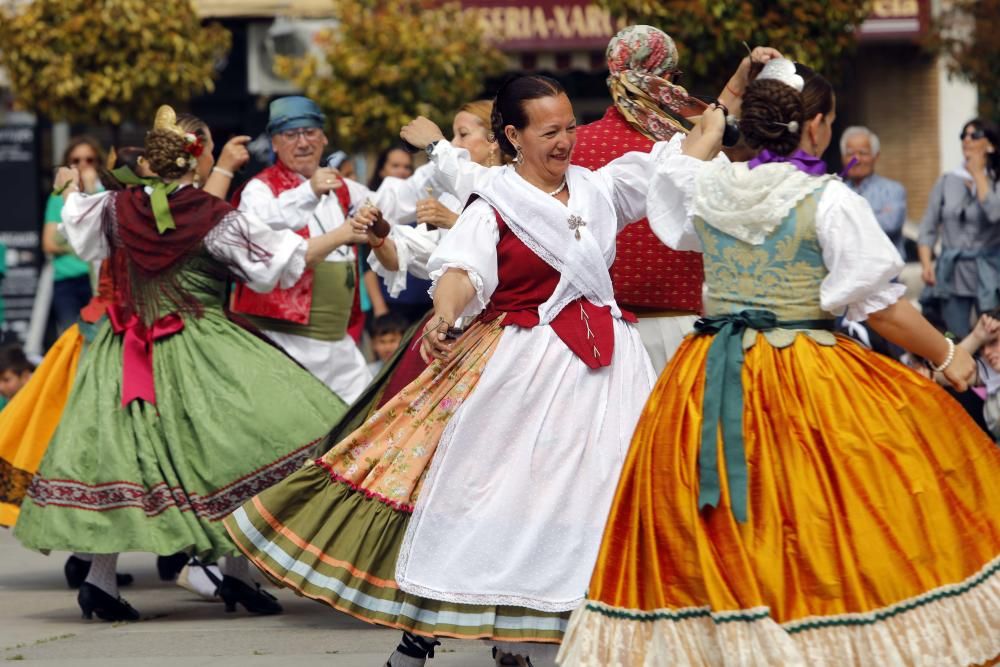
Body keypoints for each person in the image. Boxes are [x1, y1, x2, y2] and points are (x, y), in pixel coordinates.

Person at [223, 74, 718, 666]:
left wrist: (723, 108)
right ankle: (451, 631)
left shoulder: (600, 188)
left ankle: (580, 632)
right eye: (550, 130)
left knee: (605, 490)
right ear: (513, 134)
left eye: (570, 127)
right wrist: (443, 316)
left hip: (610, 367)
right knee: (497, 493)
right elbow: (462, 273)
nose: (566, 141)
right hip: (525, 364)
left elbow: (679, 162)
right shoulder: (494, 203)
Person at [557, 59, 1000, 666]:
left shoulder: (706, 187)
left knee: (720, 520)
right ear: (815, 128)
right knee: (821, 513)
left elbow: (680, 174)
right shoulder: (827, 200)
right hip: (805, 369)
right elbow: (883, 309)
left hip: (709, 371)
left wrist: (710, 132)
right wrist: (950, 354)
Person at [13, 106, 351, 622]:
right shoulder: (211, 216)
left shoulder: (115, 206)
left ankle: (114, 583)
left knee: (129, 463)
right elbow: (271, 269)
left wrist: (67, 189)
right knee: (241, 448)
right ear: (197, 159)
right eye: (210, 148)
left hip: (124, 348)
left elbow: (78, 232)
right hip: (201, 346)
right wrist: (342, 236)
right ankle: (225, 577)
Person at [573, 26, 780, 372]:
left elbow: (710, 122)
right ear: (667, 78)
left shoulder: (572, 145)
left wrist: (740, 79)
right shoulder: (683, 145)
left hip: (593, 336)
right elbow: (710, 127)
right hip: (676, 333)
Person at [231, 95, 373, 403]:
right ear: (274, 143)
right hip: (285, 342)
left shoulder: (342, 187)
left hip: (339, 342)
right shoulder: (260, 189)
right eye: (291, 135)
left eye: (310, 132)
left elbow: (387, 203)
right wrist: (308, 192)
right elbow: (259, 225)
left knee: (361, 422)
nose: (303, 142)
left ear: (323, 138)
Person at [918, 119, 1000, 338]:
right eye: (963, 135)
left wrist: (979, 175)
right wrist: (927, 264)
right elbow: (928, 226)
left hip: (989, 273)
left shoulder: (996, 181)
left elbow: (994, 213)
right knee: (955, 337)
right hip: (952, 272)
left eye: (975, 135)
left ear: (990, 144)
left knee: (992, 335)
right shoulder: (947, 181)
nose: (967, 139)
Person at [43, 137, 103, 333]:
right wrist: (83, 246)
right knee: (71, 338)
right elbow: (49, 243)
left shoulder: (105, 193)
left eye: (89, 159)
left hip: (98, 282)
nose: (82, 165)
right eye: (75, 161)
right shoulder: (57, 196)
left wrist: (92, 189)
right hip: (67, 281)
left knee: (97, 338)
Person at [361, 145, 416, 327]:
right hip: (389, 304)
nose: (402, 171)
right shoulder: (372, 205)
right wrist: (379, 308)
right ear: (382, 169)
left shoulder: (421, 202)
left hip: (425, 304)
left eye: (407, 167)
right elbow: (366, 263)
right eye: (395, 166)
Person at [840, 125, 907, 255]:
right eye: (850, 154)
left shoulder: (893, 190)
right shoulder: (836, 192)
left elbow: (890, 224)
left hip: (884, 274)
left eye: (863, 153)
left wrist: (846, 222)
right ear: (843, 158)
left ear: (876, 156)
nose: (856, 159)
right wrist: (877, 215)